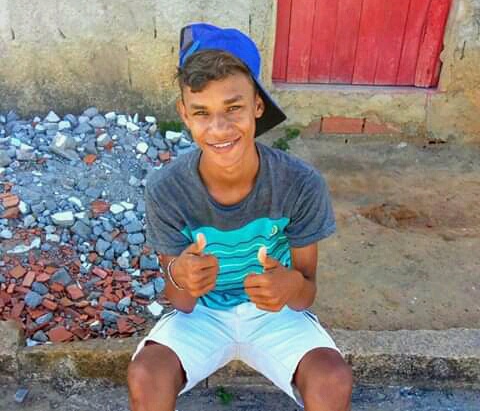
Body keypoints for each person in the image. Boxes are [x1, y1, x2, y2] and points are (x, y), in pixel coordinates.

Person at [127, 23, 353, 411]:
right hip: (202, 315)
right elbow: (181, 302)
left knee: (332, 380)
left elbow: (306, 293)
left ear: (257, 106)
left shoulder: (300, 183)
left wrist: (289, 285)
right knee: (147, 376)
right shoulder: (167, 189)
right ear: (184, 114)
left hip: (274, 315)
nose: (219, 128)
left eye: (233, 108)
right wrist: (181, 275)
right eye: (202, 112)